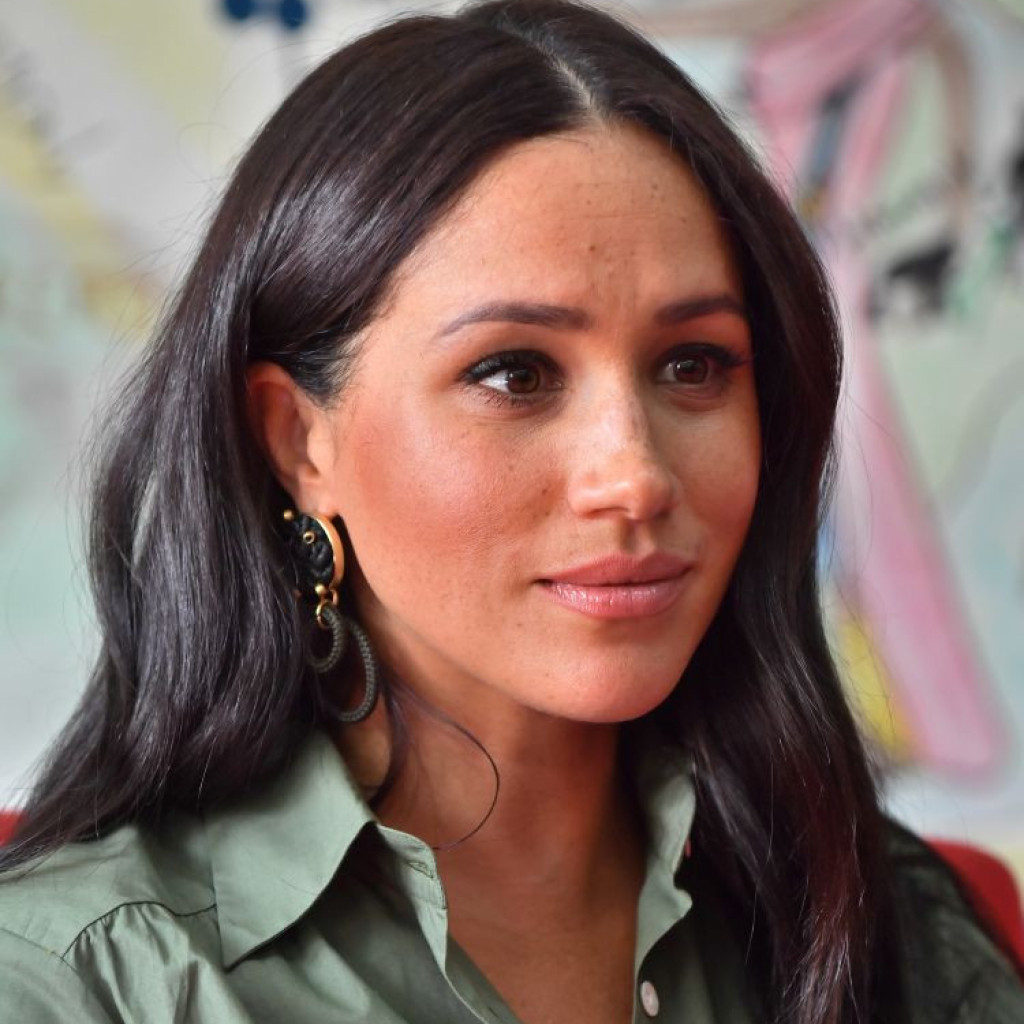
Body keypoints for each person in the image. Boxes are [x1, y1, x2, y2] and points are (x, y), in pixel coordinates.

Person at [0, 1, 1021, 1021]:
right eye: (514, 373)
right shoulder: (75, 985)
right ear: (298, 442)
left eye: (692, 364)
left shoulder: (902, 939)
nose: (634, 476)